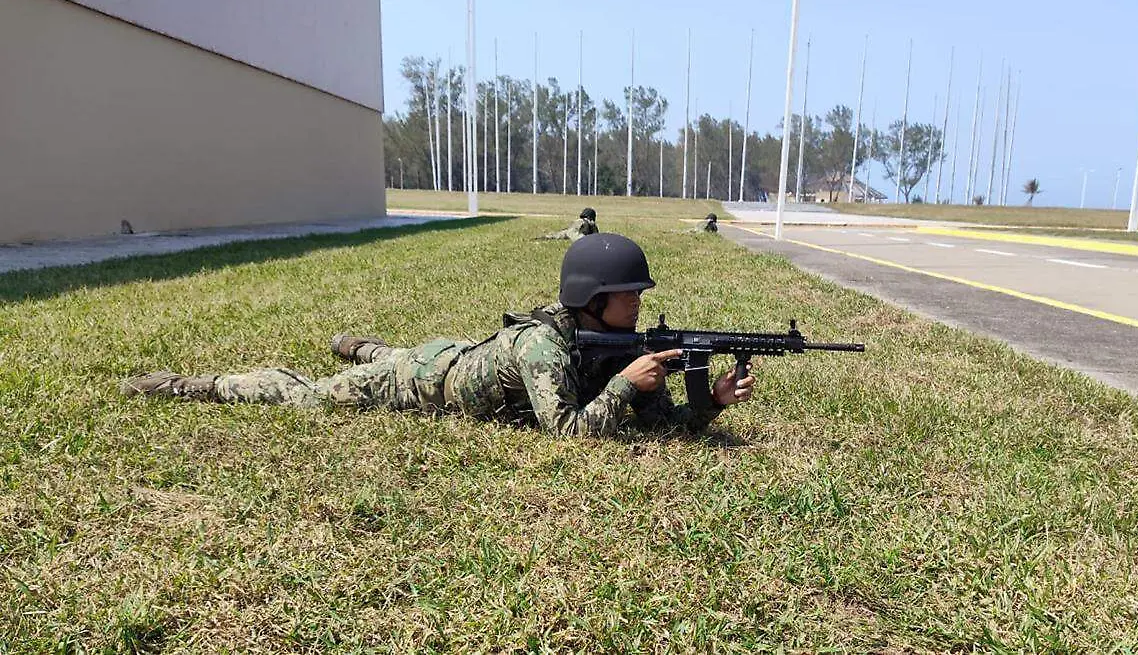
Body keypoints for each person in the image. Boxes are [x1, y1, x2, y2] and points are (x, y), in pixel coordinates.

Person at [122, 233, 756, 437]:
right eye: (630, 295)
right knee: (316, 395)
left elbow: (652, 420)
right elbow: (568, 432)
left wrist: (710, 402)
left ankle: (363, 344)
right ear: (594, 298)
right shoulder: (546, 346)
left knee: (398, 353)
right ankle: (195, 384)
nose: (639, 304)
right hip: (427, 385)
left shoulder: (612, 342)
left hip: (450, 356)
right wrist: (621, 385)